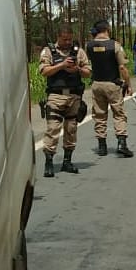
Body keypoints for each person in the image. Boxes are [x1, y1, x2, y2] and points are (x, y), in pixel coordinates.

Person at [39, 24, 92, 177]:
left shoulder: (78, 52)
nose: (68, 42)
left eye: (70, 39)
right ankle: (49, 162)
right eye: (65, 39)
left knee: (71, 129)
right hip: (56, 96)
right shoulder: (49, 51)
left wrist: (78, 70)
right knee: (53, 130)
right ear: (58, 38)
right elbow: (44, 71)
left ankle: (67, 161)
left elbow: (88, 72)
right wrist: (61, 65)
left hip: (74, 97)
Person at [86, 20, 134, 158]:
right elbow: (122, 67)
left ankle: (102, 146)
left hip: (96, 84)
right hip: (112, 84)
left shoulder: (89, 46)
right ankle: (121, 143)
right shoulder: (115, 46)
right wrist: (128, 84)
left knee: (99, 115)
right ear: (107, 29)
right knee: (119, 114)